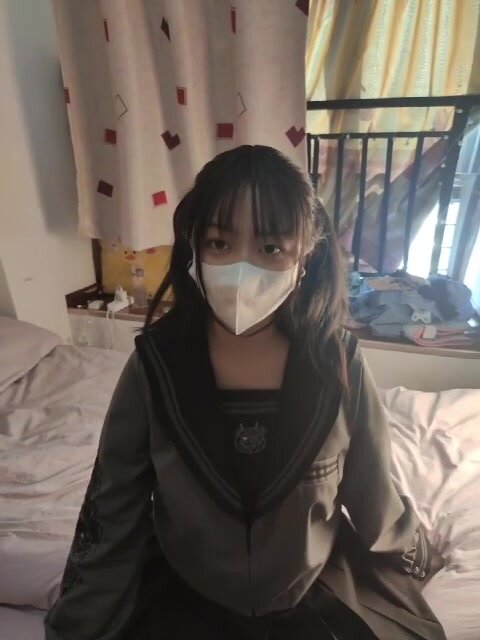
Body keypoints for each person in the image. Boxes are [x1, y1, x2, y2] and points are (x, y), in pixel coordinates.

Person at [44, 145, 446, 639]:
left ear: (306, 255)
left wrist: (419, 553)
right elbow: (112, 508)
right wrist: (78, 623)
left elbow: (373, 494)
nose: (241, 267)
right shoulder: (155, 367)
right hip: (183, 592)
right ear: (193, 248)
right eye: (219, 243)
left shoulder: (336, 363)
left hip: (312, 591)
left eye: (270, 248)